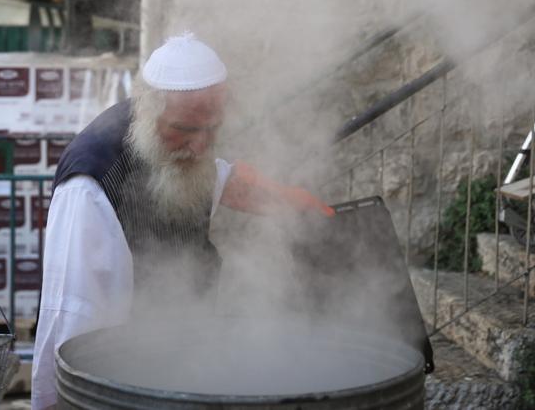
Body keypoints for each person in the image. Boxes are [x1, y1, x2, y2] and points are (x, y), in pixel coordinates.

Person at [31, 33, 335, 409]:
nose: (201, 147)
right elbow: (71, 321)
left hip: (184, 366)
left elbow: (226, 180)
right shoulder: (90, 186)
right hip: (121, 387)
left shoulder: (178, 150)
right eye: (186, 131)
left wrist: (295, 203)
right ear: (148, 110)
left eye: (213, 129)